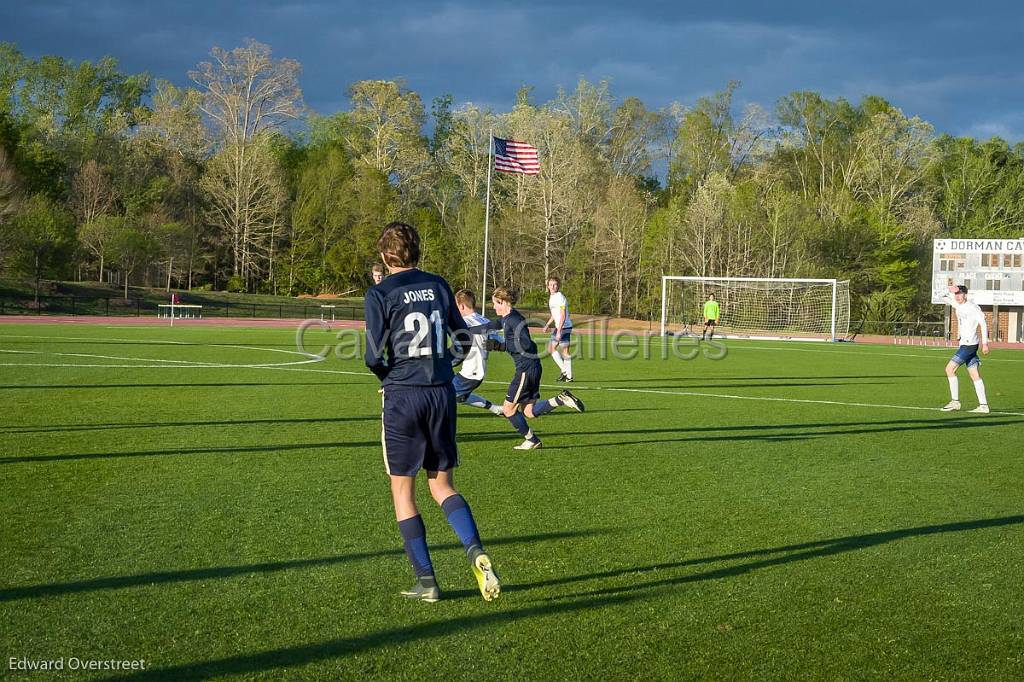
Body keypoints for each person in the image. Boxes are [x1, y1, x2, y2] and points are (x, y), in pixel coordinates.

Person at [364, 222, 500, 603]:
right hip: (441, 392)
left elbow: (373, 356)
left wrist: (389, 377)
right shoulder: (440, 284)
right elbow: (462, 338)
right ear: (417, 252)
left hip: (404, 396)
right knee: (442, 485)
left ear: (384, 256)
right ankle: (475, 550)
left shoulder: (379, 293)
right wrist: (447, 364)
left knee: (403, 490)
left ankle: (427, 581)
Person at [485, 286, 585, 450]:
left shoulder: (514, 320)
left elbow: (524, 343)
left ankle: (532, 441)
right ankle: (561, 399)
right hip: (532, 367)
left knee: (508, 409)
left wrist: (499, 346)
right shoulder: (508, 317)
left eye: (495, 303)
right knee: (529, 412)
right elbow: (494, 324)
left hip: (525, 369)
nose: (493, 307)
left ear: (503, 302)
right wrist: (468, 329)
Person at [453, 289, 505, 416]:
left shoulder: (464, 323)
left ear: (461, 306)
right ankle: (495, 408)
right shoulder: (484, 320)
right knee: (460, 397)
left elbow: (459, 350)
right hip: (477, 371)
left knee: (441, 395)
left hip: (471, 373)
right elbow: (501, 342)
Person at [940, 284, 990, 414]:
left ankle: (955, 402)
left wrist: (985, 343)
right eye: (956, 294)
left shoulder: (973, 307)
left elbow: (983, 324)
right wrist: (950, 290)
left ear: (965, 295)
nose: (957, 296)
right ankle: (984, 406)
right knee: (975, 375)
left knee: (949, 369)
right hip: (966, 344)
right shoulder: (958, 305)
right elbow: (942, 296)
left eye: (960, 293)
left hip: (969, 345)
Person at [542, 277, 574, 382]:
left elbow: (563, 316)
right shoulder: (552, 297)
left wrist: (559, 331)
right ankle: (566, 373)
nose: (552, 286)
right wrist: (547, 324)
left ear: (558, 285)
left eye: (555, 284)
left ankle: (567, 374)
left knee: (564, 351)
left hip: (564, 326)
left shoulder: (560, 297)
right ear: (548, 286)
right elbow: (554, 315)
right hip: (558, 326)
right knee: (552, 348)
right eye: (551, 284)